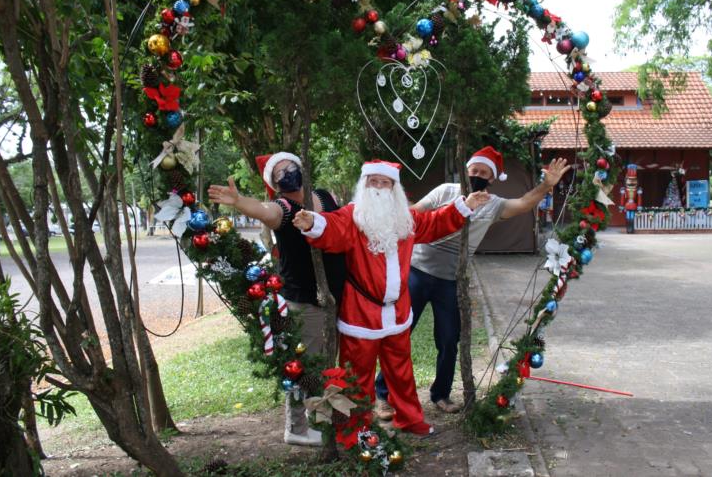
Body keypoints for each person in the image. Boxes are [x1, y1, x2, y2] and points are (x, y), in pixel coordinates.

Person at [291, 160, 489, 436]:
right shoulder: (353, 216)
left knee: (401, 371)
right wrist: (312, 222)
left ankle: (409, 418)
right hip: (361, 312)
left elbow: (435, 223)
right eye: (374, 182)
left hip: (398, 311)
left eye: (385, 183)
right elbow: (334, 229)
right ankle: (355, 427)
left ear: (395, 187)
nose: (380, 188)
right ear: (364, 185)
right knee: (356, 375)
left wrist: (464, 205)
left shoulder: (405, 218)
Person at [374, 146, 571, 416]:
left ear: (491, 178)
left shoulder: (494, 205)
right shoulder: (445, 191)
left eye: (482, 172)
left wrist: (546, 185)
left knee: (448, 339)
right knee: (399, 335)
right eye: (473, 170)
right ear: (465, 171)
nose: (476, 175)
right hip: (417, 272)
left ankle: (441, 394)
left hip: (451, 280)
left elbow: (525, 203)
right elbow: (415, 213)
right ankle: (383, 395)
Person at [208, 151, 345, 447]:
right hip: (305, 301)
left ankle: (322, 419)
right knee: (305, 366)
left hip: (335, 297)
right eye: (279, 173)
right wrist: (241, 202)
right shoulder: (282, 207)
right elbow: (264, 210)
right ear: (275, 183)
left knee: (326, 363)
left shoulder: (325, 195)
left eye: (291, 167)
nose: (287, 173)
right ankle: (296, 427)